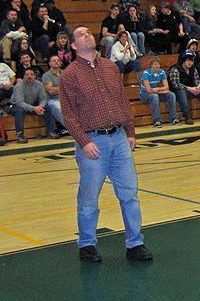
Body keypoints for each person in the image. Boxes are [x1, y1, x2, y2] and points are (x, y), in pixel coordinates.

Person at [60, 25, 153, 262]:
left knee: (130, 194)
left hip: (120, 139)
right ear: (73, 45)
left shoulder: (111, 67)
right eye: (80, 34)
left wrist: (130, 131)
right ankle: (87, 244)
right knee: (89, 197)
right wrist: (84, 142)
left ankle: (135, 243)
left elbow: (122, 101)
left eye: (88, 32)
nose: (87, 35)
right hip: (93, 142)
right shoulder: (70, 75)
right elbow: (69, 115)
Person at [169, 51, 200, 124]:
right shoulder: (175, 69)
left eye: (191, 61)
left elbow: (197, 80)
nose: (190, 63)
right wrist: (189, 88)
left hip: (190, 90)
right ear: (184, 61)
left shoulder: (193, 69)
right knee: (182, 92)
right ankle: (187, 116)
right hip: (177, 91)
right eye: (188, 61)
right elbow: (176, 84)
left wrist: (197, 87)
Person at [10, 68, 55, 144]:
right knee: (20, 110)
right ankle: (20, 135)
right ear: (23, 76)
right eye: (27, 74)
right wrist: (34, 108)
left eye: (31, 74)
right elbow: (20, 102)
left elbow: (43, 99)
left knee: (48, 107)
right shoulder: (19, 85)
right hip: (16, 106)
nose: (29, 76)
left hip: (32, 104)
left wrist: (40, 106)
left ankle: (51, 131)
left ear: (35, 76)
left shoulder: (39, 84)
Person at [139, 57, 178, 128]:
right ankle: (157, 120)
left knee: (171, 94)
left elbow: (167, 87)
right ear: (151, 65)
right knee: (154, 96)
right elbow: (148, 90)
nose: (157, 66)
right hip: (144, 95)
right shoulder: (146, 73)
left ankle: (173, 118)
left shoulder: (161, 72)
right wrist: (161, 90)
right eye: (155, 64)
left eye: (158, 64)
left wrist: (157, 90)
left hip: (155, 93)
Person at [41, 55, 65, 138]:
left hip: (66, 99)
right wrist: (65, 88)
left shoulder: (65, 73)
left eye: (58, 60)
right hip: (52, 100)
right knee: (58, 107)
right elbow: (51, 91)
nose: (56, 62)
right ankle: (73, 129)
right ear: (49, 63)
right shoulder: (47, 75)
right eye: (54, 60)